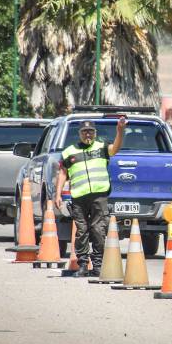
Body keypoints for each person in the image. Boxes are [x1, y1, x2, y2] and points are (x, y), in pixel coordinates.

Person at [55, 117, 126, 277]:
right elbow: (63, 173)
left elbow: (115, 148)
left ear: (95, 133)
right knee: (81, 231)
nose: (88, 135)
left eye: (91, 132)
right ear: (79, 133)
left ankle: (98, 265)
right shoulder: (69, 152)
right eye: (84, 132)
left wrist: (120, 130)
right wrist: (57, 193)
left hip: (99, 196)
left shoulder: (101, 147)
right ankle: (82, 265)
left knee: (98, 230)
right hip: (79, 198)